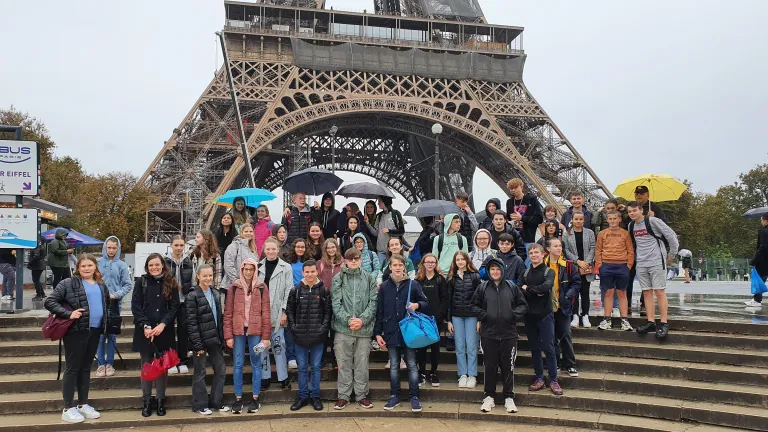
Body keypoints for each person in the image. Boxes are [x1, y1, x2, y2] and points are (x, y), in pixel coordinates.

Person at [45, 254, 109, 424]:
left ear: (95, 266)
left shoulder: (101, 285)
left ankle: (83, 404)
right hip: (75, 332)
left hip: (94, 331)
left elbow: (106, 306)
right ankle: (67, 408)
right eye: (83, 266)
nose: (87, 269)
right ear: (78, 268)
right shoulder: (68, 283)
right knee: (73, 368)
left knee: (86, 368)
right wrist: (69, 314)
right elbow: (50, 301)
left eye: (90, 265)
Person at [374, 254, 429, 412]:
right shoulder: (384, 287)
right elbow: (380, 311)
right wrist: (378, 333)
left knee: (412, 364)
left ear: (404, 267)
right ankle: (394, 395)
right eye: (394, 265)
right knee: (394, 366)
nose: (398, 268)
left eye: (400, 265)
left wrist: (417, 305)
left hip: (409, 332)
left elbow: (426, 303)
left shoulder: (413, 284)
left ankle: (414, 396)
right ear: (390, 267)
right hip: (391, 331)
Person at [473, 258, 527, 413]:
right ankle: (489, 396)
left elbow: (523, 305)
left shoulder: (512, 287)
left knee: (507, 366)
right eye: (492, 269)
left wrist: (513, 315)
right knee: (490, 366)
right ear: (489, 271)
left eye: (498, 269)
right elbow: (473, 305)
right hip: (488, 334)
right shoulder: (482, 287)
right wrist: (484, 315)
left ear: (503, 270)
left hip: (508, 334)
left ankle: (508, 397)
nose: (495, 272)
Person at [132, 253, 180, 417]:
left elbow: (174, 307)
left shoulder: (171, 282)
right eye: (151, 265)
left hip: (163, 331)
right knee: (146, 366)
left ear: (162, 265)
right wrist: (145, 325)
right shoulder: (141, 282)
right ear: (147, 266)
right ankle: (146, 400)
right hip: (144, 331)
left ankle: (160, 400)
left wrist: (163, 324)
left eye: (157, 264)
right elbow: (136, 306)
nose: (154, 267)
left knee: (162, 368)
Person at [332, 247, 378, 410]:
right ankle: (343, 396)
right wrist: (348, 320)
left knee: (361, 364)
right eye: (350, 259)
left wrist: (362, 320)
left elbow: (373, 303)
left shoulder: (369, 278)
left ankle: (361, 395)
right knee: (343, 364)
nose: (353, 261)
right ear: (345, 260)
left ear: (360, 260)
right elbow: (336, 303)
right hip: (343, 329)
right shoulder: (339, 278)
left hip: (363, 330)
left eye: (356, 259)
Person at [224, 258, 271, 414]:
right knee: (238, 364)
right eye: (246, 269)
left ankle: (255, 398)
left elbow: (266, 313)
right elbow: (228, 312)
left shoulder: (262, 287)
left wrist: (266, 337)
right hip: (238, 331)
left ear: (255, 270)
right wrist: (228, 335)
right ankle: (238, 399)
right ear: (242, 269)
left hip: (255, 331)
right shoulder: (234, 287)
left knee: (256, 363)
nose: (249, 272)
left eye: (252, 269)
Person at [627, 201, 679, 339]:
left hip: (656, 261)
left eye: (634, 210)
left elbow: (671, 235)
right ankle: (650, 321)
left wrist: (671, 254)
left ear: (641, 210)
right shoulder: (631, 225)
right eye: (629, 211)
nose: (632, 213)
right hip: (642, 263)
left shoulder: (653, 221)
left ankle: (663, 322)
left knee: (660, 291)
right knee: (647, 292)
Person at [287, 259, 331, 412]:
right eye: (307, 272)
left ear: (317, 271)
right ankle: (302, 396)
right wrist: (294, 328)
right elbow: (290, 311)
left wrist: (323, 329)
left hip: (317, 337)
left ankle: (315, 396)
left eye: (313, 271)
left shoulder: (323, 290)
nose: (310, 274)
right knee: (302, 368)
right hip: (300, 337)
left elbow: (327, 313)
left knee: (316, 368)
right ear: (303, 272)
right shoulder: (296, 290)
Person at [186, 264, 230, 415]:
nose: (208, 278)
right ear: (198, 276)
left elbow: (219, 318)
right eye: (204, 275)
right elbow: (191, 323)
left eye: (210, 275)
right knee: (200, 373)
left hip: (215, 340)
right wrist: (197, 345)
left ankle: (216, 402)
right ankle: (200, 405)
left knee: (221, 370)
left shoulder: (215, 293)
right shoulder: (192, 296)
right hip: (200, 342)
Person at [521, 244, 562, 396]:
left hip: (545, 315)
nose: (533, 255)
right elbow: (519, 289)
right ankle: (539, 377)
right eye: (530, 253)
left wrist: (529, 289)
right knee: (535, 348)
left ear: (543, 254)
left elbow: (546, 287)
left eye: (536, 252)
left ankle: (553, 379)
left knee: (549, 348)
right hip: (529, 315)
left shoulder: (548, 271)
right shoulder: (525, 272)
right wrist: (532, 291)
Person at [543, 238, 581, 377]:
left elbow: (576, 283)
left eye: (560, 246)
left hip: (563, 305)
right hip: (547, 307)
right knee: (550, 337)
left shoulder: (568, 265)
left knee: (565, 334)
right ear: (548, 249)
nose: (559, 248)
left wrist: (567, 296)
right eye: (556, 246)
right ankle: (555, 363)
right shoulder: (542, 264)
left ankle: (570, 364)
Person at [95, 236, 133, 378]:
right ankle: (100, 364)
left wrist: (116, 295)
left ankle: (110, 363)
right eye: (109, 247)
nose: (111, 250)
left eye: (114, 248)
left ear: (118, 249)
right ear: (105, 247)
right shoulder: (97, 263)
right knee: (100, 335)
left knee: (111, 334)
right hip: (99, 303)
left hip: (115, 304)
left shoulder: (122, 265)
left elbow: (127, 285)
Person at [259, 237, 293, 391]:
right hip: (260, 314)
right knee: (262, 347)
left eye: (273, 249)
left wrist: (284, 312)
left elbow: (288, 290)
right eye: (268, 249)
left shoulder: (286, 267)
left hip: (278, 312)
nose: (271, 252)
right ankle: (264, 377)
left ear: (278, 249)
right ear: (264, 250)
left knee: (279, 346)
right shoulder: (258, 267)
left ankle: (283, 377)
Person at [446, 250, 482, 389]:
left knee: (472, 346)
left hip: (472, 316)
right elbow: (449, 300)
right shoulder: (452, 279)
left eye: (462, 259)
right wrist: (449, 320)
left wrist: (480, 319)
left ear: (467, 261)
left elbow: (480, 299)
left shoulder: (475, 276)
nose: (460, 262)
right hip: (456, 316)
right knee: (460, 346)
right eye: (457, 260)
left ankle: (472, 375)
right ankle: (462, 374)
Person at [595, 211, 635, 331]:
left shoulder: (625, 234)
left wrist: (628, 265)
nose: (612, 221)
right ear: (607, 220)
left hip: (622, 265)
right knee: (608, 293)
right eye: (610, 219)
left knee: (622, 293)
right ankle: (607, 319)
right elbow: (598, 250)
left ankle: (624, 320)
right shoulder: (602, 233)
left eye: (614, 218)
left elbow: (630, 250)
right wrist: (600, 265)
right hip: (606, 265)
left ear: (619, 220)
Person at [415, 253, 448, 388]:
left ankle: (433, 372)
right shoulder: (418, 280)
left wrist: (439, 315)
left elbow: (445, 299)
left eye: (433, 262)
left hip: (435, 319)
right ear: (423, 263)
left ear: (436, 264)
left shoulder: (440, 279)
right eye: (427, 262)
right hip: (421, 319)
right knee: (421, 347)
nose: (430, 264)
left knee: (435, 347)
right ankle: (421, 372)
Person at [164, 235, 194, 374]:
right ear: (171, 246)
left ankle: (182, 360)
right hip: (169, 301)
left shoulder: (188, 262)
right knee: (168, 331)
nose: (179, 248)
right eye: (176, 245)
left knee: (183, 331)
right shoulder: (165, 262)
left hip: (184, 301)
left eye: (181, 245)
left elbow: (193, 282)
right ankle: (170, 361)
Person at [562, 212, 596, 328]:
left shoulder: (590, 233)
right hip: (574, 267)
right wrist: (578, 261)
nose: (578, 221)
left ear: (583, 220)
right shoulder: (567, 234)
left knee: (585, 292)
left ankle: (585, 315)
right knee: (574, 293)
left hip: (586, 267)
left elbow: (593, 247)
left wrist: (587, 261)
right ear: (572, 220)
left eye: (581, 219)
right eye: (576, 219)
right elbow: (565, 250)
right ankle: (575, 315)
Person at [318, 238, 344, 367]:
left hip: (339, 302)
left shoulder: (343, 263)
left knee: (336, 332)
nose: (331, 250)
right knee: (323, 331)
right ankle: (321, 359)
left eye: (333, 247)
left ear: (337, 248)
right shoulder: (320, 264)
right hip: (324, 302)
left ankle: (335, 360)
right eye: (328, 248)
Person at [505, 178, 544, 265]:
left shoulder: (532, 200)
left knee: (529, 265)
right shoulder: (509, 202)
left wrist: (522, 218)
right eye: (511, 188)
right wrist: (509, 222)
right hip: (514, 239)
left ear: (521, 186)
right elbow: (508, 218)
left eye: (515, 187)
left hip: (528, 238)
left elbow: (539, 219)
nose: (513, 190)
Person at [222, 223, 258, 290]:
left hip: (248, 286)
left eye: (251, 231)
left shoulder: (253, 248)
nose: (248, 233)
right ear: (241, 232)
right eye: (246, 231)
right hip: (232, 285)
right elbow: (228, 265)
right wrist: (236, 281)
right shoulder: (234, 246)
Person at [373, 196, 405, 265]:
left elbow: (402, 231)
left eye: (380, 201)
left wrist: (389, 231)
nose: (378, 204)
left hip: (393, 250)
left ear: (385, 202)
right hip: (380, 249)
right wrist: (367, 223)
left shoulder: (396, 214)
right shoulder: (379, 216)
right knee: (381, 271)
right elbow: (375, 232)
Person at [746, 214, 768, 307]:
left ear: (766, 221)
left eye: (762, 219)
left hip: (764, 260)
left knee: (759, 279)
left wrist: (754, 260)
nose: (761, 221)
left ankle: (757, 300)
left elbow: (762, 247)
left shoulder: (764, 231)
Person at [28, 234, 47, 299]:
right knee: (37, 280)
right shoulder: (42, 246)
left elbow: (36, 256)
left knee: (35, 280)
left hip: (37, 265)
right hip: (40, 265)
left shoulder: (37, 247)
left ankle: (39, 295)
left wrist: (30, 263)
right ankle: (42, 293)